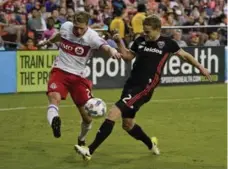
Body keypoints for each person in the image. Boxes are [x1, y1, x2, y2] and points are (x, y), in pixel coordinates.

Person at [75, 14, 212, 160]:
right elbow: (127, 56)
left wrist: (200, 67)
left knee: (113, 113)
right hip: (131, 84)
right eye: (144, 31)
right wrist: (118, 41)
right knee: (127, 125)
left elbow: (185, 56)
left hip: (145, 87)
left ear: (157, 29)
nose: (144, 34)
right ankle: (151, 144)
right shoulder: (140, 40)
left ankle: (89, 150)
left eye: (148, 32)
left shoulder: (168, 43)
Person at [38, 11, 122, 146]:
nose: (77, 30)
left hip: (78, 78)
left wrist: (113, 51)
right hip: (60, 71)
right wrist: (47, 41)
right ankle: (55, 122)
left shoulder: (92, 37)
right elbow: (59, 36)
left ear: (87, 26)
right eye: (75, 27)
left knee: (87, 118)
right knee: (54, 98)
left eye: (81, 28)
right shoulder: (66, 26)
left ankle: (81, 139)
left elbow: (105, 46)